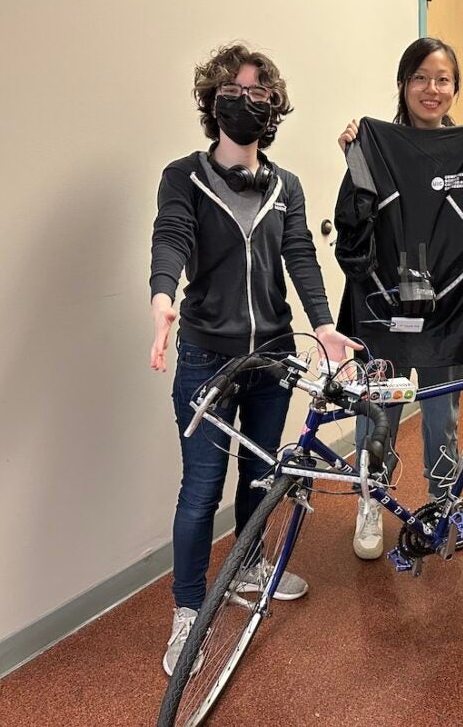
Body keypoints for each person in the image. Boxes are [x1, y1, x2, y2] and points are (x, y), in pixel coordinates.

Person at [149, 42, 358, 675]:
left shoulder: (286, 186)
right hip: (205, 357)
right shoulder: (182, 176)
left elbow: (300, 257)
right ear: (213, 104)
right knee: (200, 489)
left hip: (271, 357)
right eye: (232, 92)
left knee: (263, 478)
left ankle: (249, 565)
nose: (246, 102)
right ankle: (189, 611)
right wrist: (163, 299)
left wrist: (323, 325)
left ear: (274, 108)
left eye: (259, 93)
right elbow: (172, 237)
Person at [335, 37, 463, 561]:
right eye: (420, 77)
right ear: (403, 85)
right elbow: (353, 228)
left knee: (442, 416)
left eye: (442, 79)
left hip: (450, 309)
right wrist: (355, 159)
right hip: (384, 308)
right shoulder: (372, 144)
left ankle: (442, 506)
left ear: (455, 88)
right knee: (379, 413)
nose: (431, 89)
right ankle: (371, 500)